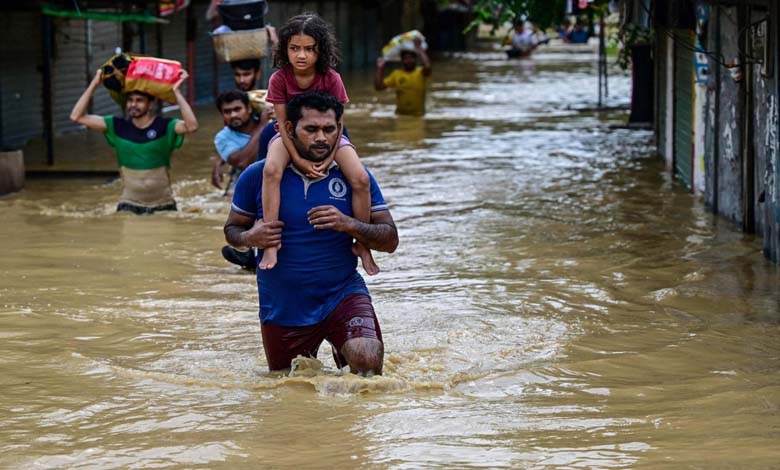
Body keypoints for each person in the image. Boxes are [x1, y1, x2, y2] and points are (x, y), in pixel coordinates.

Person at [223, 91, 398, 374]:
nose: (321, 138)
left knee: (367, 361)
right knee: (290, 387)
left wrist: (349, 224)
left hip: (342, 293)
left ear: (339, 129)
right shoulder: (258, 176)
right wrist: (249, 238)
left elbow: (390, 240)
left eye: (329, 129)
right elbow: (232, 230)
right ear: (290, 129)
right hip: (283, 306)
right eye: (312, 129)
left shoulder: (354, 177)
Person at [261, 12, 377, 276]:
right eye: (294, 49)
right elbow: (282, 124)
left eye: (309, 49)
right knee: (270, 171)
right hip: (289, 137)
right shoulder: (279, 79)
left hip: (332, 138)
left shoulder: (331, 78)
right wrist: (299, 159)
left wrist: (328, 158)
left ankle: (363, 244)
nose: (301, 55)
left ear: (320, 51)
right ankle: (271, 243)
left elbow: (338, 125)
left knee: (360, 179)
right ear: (285, 50)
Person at [70, 68, 198, 214]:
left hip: (163, 204)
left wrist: (177, 92)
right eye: (130, 100)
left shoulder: (165, 126)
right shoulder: (116, 126)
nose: (133, 105)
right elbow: (76, 116)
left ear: (150, 105)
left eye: (139, 101)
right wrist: (94, 83)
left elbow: (192, 126)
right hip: (129, 205)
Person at [374, 37, 432, 116]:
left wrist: (419, 49)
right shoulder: (396, 74)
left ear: (415, 59)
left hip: (418, 116)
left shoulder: (421, 73)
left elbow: (428, 67)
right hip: (400, 116)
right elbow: (378, 87)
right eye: (406, 58)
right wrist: (380, 69)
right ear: (402, 60)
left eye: (411, 58)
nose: (408, 60)